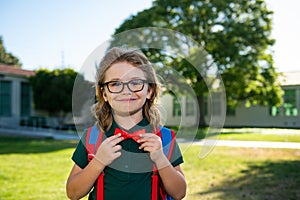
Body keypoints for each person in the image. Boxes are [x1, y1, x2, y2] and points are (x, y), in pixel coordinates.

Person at [66, 47, 186, 200]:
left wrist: (160, 158)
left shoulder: (164, 138)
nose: (125, 91)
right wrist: (98, 162)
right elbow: (73, 193)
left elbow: (179, 193)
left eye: (135, 82)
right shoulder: (92, 137)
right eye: (115, 84)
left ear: (149, 90)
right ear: (104, 94)